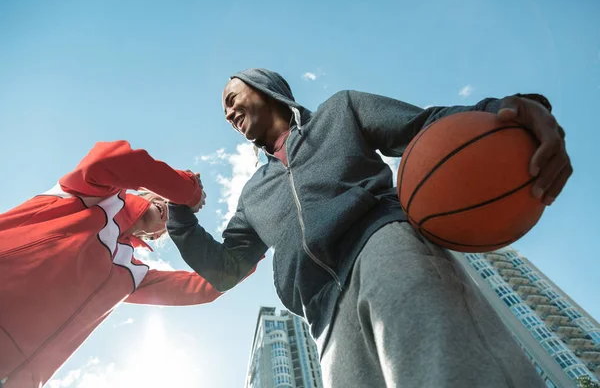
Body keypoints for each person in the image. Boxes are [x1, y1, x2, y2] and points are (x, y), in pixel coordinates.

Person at [167, 69, 572, 387]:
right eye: (224, 112)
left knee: (451, 374)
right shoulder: (253, 194)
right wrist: (179, 215)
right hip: (323, 317)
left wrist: (510, 109)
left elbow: (425, 125)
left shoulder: (340, 111)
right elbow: (225, 269)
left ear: (264, 87)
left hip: (383, 247)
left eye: (231, 99)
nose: (228, 113)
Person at [0, 140, 220, 388]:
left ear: (157, 235)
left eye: (173, 212)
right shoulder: (93, 195)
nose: (168, 206)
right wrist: (185, 189)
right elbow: (106, 160)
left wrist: (254, 237)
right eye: (166, 198)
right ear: (145, 191)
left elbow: (208, 286)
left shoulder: (131, 273)